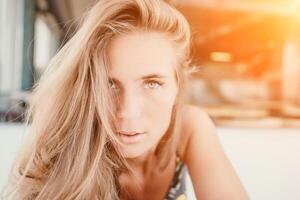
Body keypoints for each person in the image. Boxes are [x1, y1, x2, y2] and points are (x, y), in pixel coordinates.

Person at [4, 0, 249, 199]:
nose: (127, 113)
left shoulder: (189, 126)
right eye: (109, 84)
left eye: (152, 83)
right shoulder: (66, 155)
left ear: (178, 87)